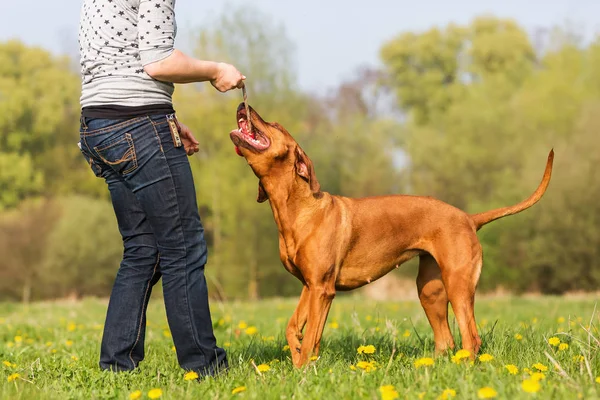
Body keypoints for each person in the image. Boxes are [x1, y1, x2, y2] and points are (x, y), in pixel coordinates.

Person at [77, 0, 244, 377]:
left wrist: (168, 116)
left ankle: (116, 366)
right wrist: (216, 70)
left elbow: (115, 60)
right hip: (138, 123)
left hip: (99, 124)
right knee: (182, 246)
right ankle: (204, 367)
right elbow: (159, 62)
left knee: (142, 248)